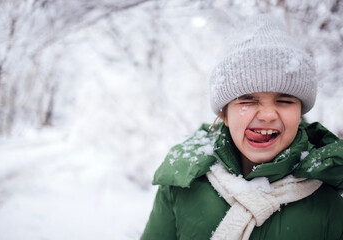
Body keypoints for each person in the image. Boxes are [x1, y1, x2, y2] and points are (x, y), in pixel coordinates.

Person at [141, 14, 343, 240]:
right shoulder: (182, 184)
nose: (267, 115)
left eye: (284, 101)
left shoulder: (330, 198)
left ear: (300, 113)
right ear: (224, 114)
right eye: (247, 100)